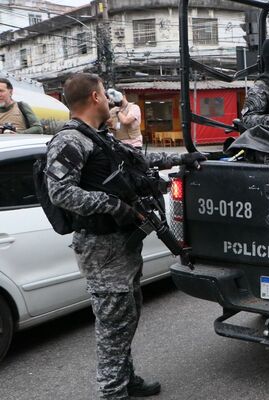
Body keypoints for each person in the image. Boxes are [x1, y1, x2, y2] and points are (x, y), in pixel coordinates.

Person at [45, 73, 205, 399]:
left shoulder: (98, 137)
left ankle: (125, 378)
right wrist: (115, 206)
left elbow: (137, 161)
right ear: (94, 98)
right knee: (113, 325)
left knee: (126, 315)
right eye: (105, 94)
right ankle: (112, 392)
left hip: (119, 244)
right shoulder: (70, 141)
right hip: (101, 246)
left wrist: (181, 158)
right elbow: (60, 192)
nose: (110, 100)